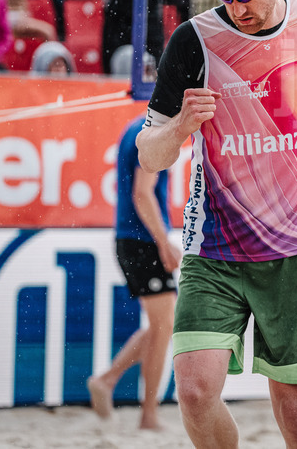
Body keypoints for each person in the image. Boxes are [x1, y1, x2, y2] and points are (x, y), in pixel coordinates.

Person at [135, 0, 297, 448]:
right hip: (216, 248)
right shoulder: (192, 40)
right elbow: (149, 154)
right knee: (195, 393)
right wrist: (180, 127)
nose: (237, 7)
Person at [87, 113, 181, 430]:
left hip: (134, 238)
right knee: (163, 326)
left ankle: (108, 381)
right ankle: (146, 413)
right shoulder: (154, 131)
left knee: (162, 326)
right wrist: (163, 242)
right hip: (142, 240)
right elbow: (142, 193)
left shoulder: (137, 126)